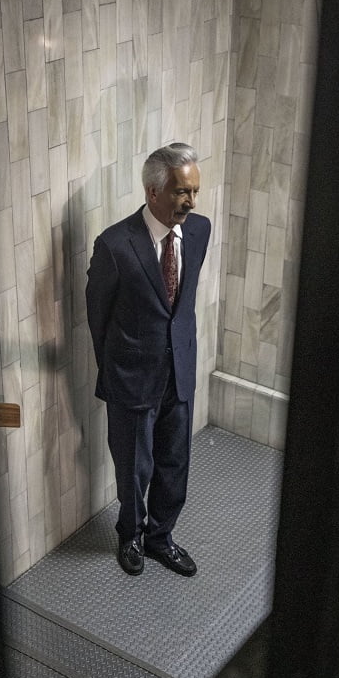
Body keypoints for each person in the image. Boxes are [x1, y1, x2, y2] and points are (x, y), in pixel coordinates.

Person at [85, 142, 211, 577]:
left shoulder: (199, 231)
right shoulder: (115, 246)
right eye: (182, 192)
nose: (191, 202)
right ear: (153, 192)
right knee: (134, 469)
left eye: (195, 191)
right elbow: (97, 316)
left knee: (175, 463)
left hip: (180, 373)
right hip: (132, 378)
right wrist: (118, 367)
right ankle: (131, 535)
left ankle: (161, 537)